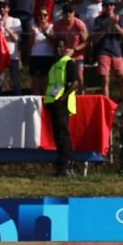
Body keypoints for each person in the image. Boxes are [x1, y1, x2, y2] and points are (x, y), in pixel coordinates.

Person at [42, 47, 82, 177]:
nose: (58, 49)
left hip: (62, 103)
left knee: (63, 135)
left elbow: (75, 83)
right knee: (58, 136)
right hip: (54, 103)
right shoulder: (54, 66)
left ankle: (67, 165)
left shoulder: (68, 62)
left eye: (61, 46)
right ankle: (62, 165)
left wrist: (62, 98)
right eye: (56, 46)